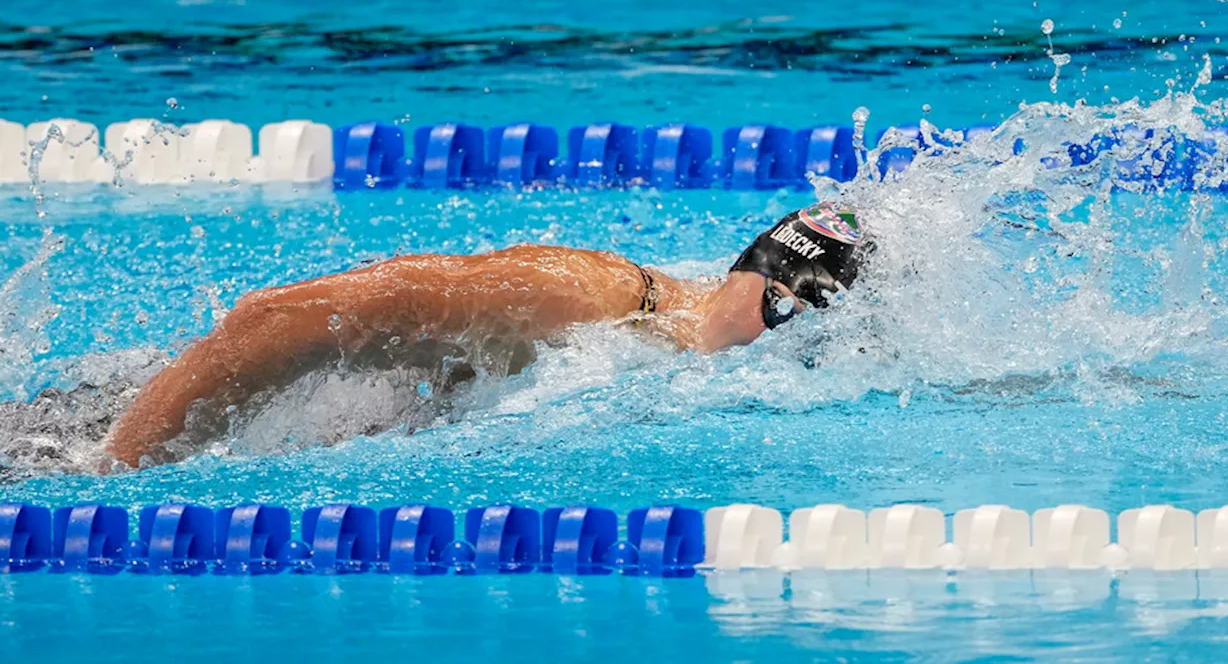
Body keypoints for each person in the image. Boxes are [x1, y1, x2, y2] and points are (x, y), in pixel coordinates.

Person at [105, 202, 871, 467]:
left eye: (799, 331)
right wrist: (112, 466)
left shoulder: (673, 352)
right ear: (750, 274)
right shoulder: (591, 298)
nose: (772, 336)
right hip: (106, 428)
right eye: (775, 310)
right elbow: (272, 320)